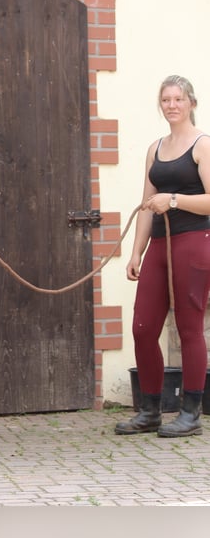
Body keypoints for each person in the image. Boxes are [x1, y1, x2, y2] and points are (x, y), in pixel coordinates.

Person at [115, 74, 210, 437]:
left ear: (191, 104)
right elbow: (144, 205)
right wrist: (136, 252)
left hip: (194, 240)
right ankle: (150, 411)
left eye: (178, 99)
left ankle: (191, 413)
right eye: (166, 100)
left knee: (189, 327)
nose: (172, 105)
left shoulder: (202, 145)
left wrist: (173, 200)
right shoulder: (155, 149)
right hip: (159, 245)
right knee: (143, 327)